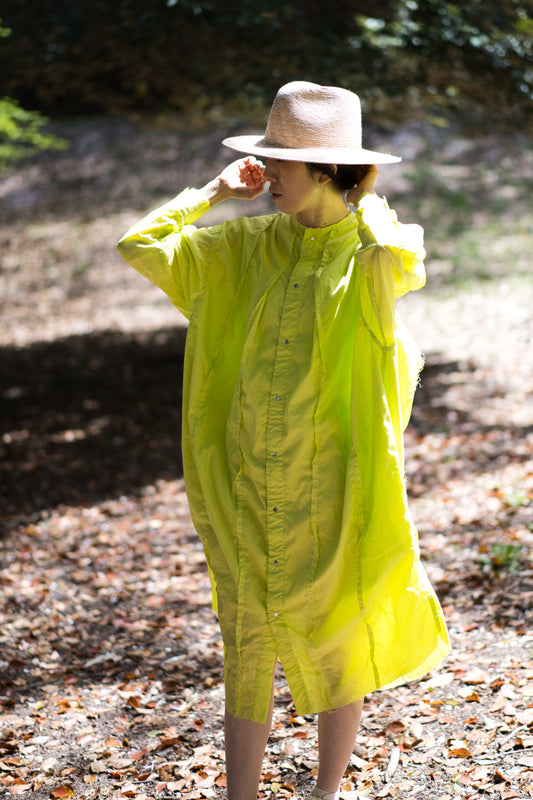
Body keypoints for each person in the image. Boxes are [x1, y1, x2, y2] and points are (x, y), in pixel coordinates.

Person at [117, 81, 450, 800]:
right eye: (263, 161)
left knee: (336, 641)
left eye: (280, 165)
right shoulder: (243, 246)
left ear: (328, 170)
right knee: (245, 640)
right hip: (242, 476)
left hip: (329, 481)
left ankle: (324, 793)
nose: (265, 176)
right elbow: (139, 244)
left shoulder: (371, 256)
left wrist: (373, 232)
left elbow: (402, 271)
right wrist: (210, 193)